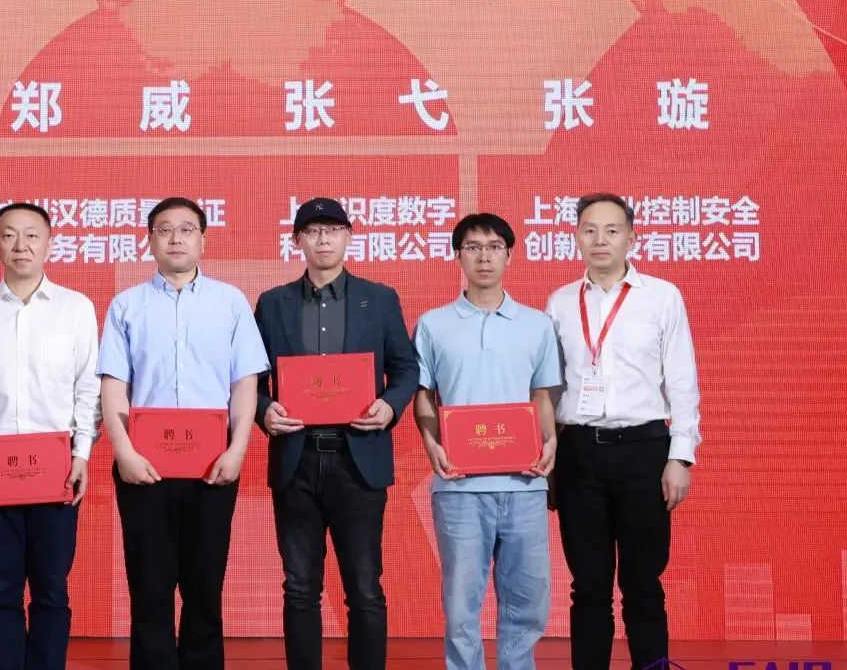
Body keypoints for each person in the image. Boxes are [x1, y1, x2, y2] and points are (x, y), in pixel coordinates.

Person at [97, 196, 269, 670]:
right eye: (165, 229)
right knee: (149, 588)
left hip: (212, 467)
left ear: (203, 241)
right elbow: (114, 385)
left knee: (204, 587)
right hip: (143, 467)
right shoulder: (126, 305)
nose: (176, 238)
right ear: (150, 240)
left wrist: (237, 450)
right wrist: (123, 452)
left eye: (187, 229)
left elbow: (244, 384)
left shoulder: (230, 302)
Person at [254, 197, 418, 670]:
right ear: (297, 241)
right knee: (299, 586)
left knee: (364, 587)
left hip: (358, 458)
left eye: (332, 230)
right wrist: (265, 411)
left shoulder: (379, 299)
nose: (323, 239)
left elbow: (406, 368)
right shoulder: (273, 303)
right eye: (312, 231)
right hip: (297, 458)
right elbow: (251, 378)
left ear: (348, 237)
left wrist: (389, 405)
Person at [0, 202, 101, 670]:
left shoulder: (75, 308)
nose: (21, 245)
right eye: (9, 235)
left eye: (32, 235)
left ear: (49, 244)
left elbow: (88, 388)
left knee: (51, 589)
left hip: (58, 472)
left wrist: (82, 454)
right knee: (1, 590)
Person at [545, 193, 701, 669]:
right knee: (588, 587)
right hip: (578, 453)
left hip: (644, 451)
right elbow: (550, 387)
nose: (600, 240)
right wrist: (548, 453)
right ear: (576, 238)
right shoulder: (559, 303)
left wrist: (680, 457)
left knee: (643, 584)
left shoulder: (662, 297)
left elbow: (682, 382)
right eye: (589, 230)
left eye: (612, 230)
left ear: (631, 238)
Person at [412, 212, 560, 670]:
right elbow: (423, 395)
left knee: (527, 599)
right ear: (458, 256)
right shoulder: (433, 324)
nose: (484, 257)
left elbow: (542, 395)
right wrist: (431, 443)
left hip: (525, 483)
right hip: (459, 486)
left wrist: (550, 441)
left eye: (494, 247)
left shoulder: (536, 324)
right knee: (461, 603)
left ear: (509, 255)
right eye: (473, 247)